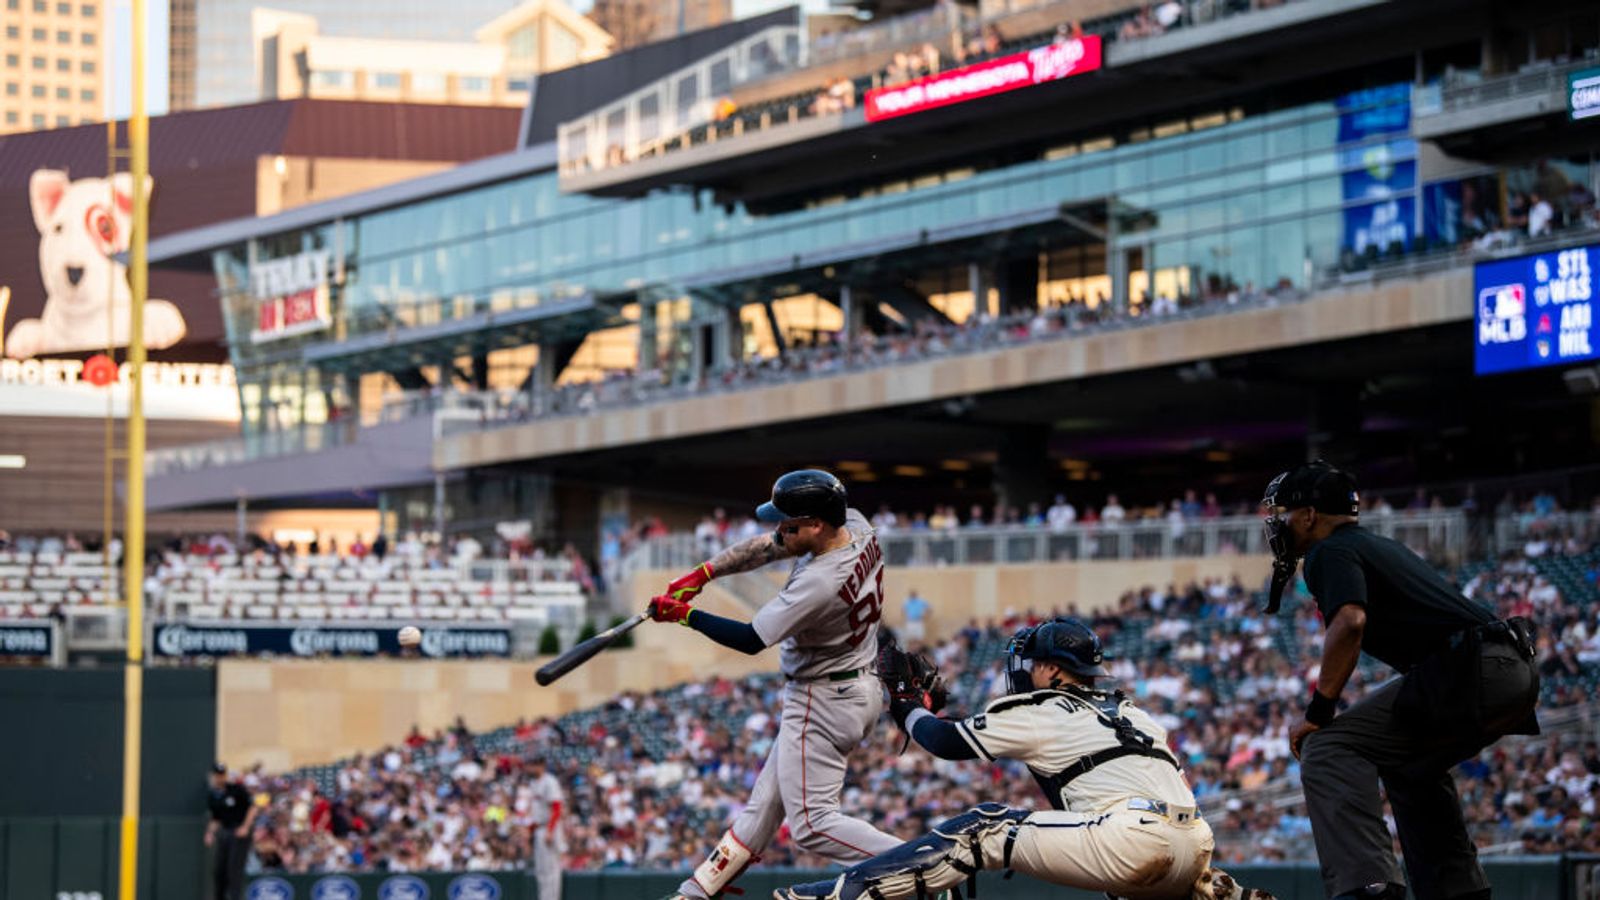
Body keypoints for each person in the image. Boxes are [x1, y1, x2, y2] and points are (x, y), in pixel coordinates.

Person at [777, 618, 1272, 900]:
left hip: (1132, 840)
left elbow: (947, 743)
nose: (1025, 671)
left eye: (1033, 663)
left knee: (985, 828)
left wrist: (904, 702)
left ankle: (843, 895)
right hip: (1195, 845)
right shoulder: (1134, 712)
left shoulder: (1044, 705)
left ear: (1053, 669)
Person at [1262, 461, 1540, 900]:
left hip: (1473, 668)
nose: (1278, 523)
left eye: (1284, 513)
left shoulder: (1327, 551)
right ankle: (1456, 891)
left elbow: (1350, 621)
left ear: (1310, 515)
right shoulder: (1372, 544)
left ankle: (1366, 889)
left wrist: (1318, 712)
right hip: (1508, 667)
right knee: (1410, 764)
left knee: (1328, 745)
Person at [647, 469, 902, 899]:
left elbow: (749, 640)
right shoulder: (853, 522)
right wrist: (704, 573)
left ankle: (929, 866)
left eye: (789, 523)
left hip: (822, 697)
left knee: (813, 824)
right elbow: (769, 547)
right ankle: (694, 893)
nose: (779, 529)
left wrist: (684, 615)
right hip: (853, 682)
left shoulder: (821, 581)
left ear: (816, 524)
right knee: (763, 807)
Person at [205, 762, 258, 900]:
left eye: (222, 775)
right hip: (225, 831)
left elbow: (253, 808)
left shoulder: (236, 789)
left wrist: (245, 827)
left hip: (239, 831)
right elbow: (216, 819)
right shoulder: (213, 795)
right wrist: (210, 833)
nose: (219, 778)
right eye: (217, 775)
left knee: (233, 870)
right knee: (219, 870)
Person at [529, 756, 565, 900]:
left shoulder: (550, 781)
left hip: (549, 828)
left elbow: (556, 808)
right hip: (539, 828)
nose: (529, 768)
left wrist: (550, 831)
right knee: (541, 870)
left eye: (533, 765)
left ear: (541, 765)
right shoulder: (533, 782)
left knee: (551, 870)